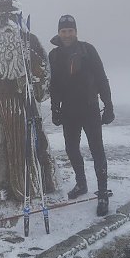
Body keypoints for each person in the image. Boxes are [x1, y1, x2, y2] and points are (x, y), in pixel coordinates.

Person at [0, 0, 56, 202]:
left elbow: (44, 75)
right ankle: (1, 183)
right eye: (2, 16)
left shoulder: (29, 41)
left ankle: (24, 181)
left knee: (22, 143)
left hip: (21, 103)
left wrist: (29, 73)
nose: (6, 21)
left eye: (10, 16)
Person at [49, 15, 115, 216]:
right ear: (59, 33)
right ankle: (81, 183)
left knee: (97, 150)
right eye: (63, 31)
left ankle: (102, 192)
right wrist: (55, 108)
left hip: (90, 108)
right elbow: (53, 86)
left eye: (70, 31)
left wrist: (108, 104)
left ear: (75, 32)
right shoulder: (54, 55)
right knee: (71, 148)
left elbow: (102, 78)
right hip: (69, 111)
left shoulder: (88, 50)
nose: (67, 34)